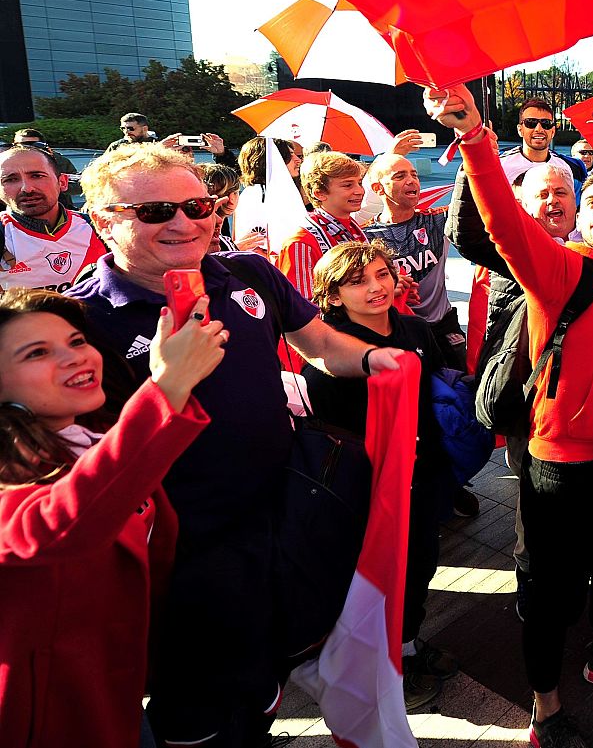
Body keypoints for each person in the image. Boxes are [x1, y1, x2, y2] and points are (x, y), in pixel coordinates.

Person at [68, 143, 407, 748]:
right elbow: (73, 467)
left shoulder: (250, 272)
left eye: (197, 205)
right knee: (198, 709)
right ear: (102, 221)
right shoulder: (77, 323)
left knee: (270, 667)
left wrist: (377, 358)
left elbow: (323, 346)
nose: (183, 222)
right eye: (154, 212)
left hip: (284, 519)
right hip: (181, 560)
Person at [427, 84, 593, 748]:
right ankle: (545, 710)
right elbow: (502, 218)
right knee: (549, 593)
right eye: (590, 198)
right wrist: (477, 137)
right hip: (556, 465)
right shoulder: (560, 270)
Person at [0, 288, 226, 748]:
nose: (73, 358)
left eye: (77, 341)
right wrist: (167, 387)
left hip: (116, 692)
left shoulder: (91, 436)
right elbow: (58, 525)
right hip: (46, 715)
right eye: (38, 352)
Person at [303, 241, 458, 709]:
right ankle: (372, 664)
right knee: (371, 576)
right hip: (365, 485)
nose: (376, 287)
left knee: (418, 564)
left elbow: (429, 398)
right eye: (358, 281)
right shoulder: (329, 348)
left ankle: (406, 645)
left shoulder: (414, 328)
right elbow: (335, 427)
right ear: (332, 296)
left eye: (382, 274)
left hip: (422, 472)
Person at [447, 157, 578, 618]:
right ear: (521, 207)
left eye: (561, 192)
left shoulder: (585, 255)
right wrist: (470, 159)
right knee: (534, 499)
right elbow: (466, 232)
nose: (552, 200)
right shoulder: (513, 254)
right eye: (541, 194)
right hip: (530, 405)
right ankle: (531, 578)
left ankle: (567, 569)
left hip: (579, 410)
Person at [363, 153, 466, 370]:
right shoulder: (365, 238)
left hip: (443, 326)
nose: (412, 181)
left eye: (414, 175)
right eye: (400, 176)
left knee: (462, 390)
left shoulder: (437, 220)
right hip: (397, 330)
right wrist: (389, 287)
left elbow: (472, 199)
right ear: (378, 188)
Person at [0, 144, 106, 291]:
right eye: (11, 180)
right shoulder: (4, 232)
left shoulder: (99, 227)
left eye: (37, 176)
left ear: (62, 182)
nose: (27, 188)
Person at [277, 151, 368, 301]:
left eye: (359, 183)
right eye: (348, 185)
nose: (359, 191)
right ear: (319, 193)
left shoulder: (352, 227)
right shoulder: (301, 242)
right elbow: (302, 306)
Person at [501, 97, 586, 188]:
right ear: (520, 130)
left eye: (546, 123)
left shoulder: (564, 167)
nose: (539, 129)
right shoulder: (502, 165)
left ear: (553, 131)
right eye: (531, 123)